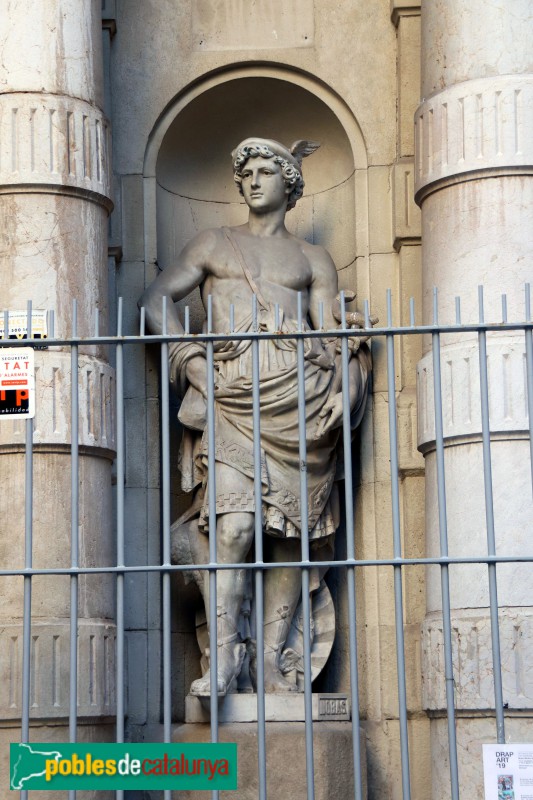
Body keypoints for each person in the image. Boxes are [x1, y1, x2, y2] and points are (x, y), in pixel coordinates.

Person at [139, 137, 372, 696]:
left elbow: (334, 335)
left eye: (269, 170)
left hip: (301, 401)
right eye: (248, 171)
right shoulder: (213, 244)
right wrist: (190, 359)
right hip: (232, 397)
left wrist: (349, 381)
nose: (255, 179)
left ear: (290, 185)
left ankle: (270, 661)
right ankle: (222, 660)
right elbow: (154, 301)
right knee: (236, 526)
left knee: (294, 537)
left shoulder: (312, 259)